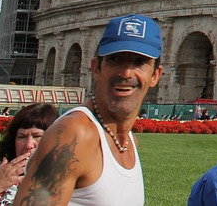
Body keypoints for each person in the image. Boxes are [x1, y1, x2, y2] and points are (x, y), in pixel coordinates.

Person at [15, 13, 163, 206]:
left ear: (155, 76)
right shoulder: (75, 134)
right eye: (116, 59)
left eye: (139, 62)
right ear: (96, 68)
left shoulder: (129, 141)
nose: (126, 73)